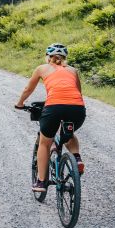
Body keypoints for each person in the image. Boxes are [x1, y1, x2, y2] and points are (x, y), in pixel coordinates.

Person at [15, 43, 86, 193]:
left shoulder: (42, 68)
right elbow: (79, 92)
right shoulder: (73, 70)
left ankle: (41, 182)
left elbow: (28, 89)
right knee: (68, 134)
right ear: (65, 57)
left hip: (54, 107)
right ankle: (77, 158)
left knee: (44, 142)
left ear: (48, 57)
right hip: (78, 109)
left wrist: (20, 103)